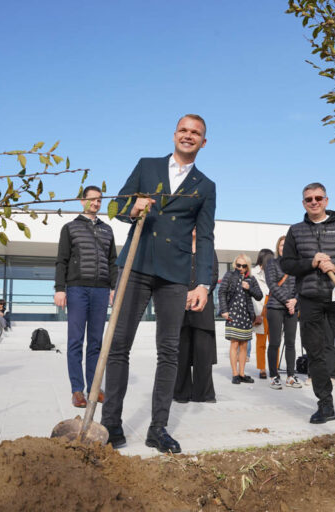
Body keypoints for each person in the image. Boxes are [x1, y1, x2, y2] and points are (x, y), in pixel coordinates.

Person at [102, 114, 216, 454]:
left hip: (175, 275)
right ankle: (111, 424)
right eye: (183, 130)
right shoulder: (146, 166)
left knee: (169, 351)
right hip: (136, 264)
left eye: (195, 133)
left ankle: (158, 428)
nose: (188, 136)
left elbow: (207, 237)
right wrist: (131, 206)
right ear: (174, 135)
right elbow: (116, 205)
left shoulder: (206, 186)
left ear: (203, 142)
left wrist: (203, 283)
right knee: (119, 344)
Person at [280, 182, 335, 426]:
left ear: (326, 200)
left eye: (318, 198)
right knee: (316, 354)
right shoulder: (295, 231)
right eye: (309, 199)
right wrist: (311, 262)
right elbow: (286, 264)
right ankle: (325, 406)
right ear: (303, 203)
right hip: (309, 300)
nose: (314, 202)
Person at [54, 185, 118, 408]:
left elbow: (112, 262)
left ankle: (94, 387)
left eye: (99, 200)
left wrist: (113, 288)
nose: (96, 204)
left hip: (101, 291)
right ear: (82, 201)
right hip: (77, 289)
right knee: (75, 341)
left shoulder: (108, 229)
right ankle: (77, 390)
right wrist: (59, 288)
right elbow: (61, 260)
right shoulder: (70, 228)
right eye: (92, 200)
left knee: (96, 344)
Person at [173, 228, 219, 403]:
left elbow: (213, 276)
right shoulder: (179, 249)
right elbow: (173, 275)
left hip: (202, 307)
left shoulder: (208, 249)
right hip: (181, 306)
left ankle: (204, 394)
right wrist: (182, 295)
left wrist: (200, 293)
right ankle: (181, 393)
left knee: (203, 353)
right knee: (182, 353)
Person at [218, 254, 263, 383]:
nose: (241, 268)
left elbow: (259, 296)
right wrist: (224, 310)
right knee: (234, 344)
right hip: (233, 314)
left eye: (244, 266)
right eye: (238, 265)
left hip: (246, 315)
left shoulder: (251, 279)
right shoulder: (229, 275)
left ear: (247, 266)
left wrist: (249, 288)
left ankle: (242, 374)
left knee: (244, 345)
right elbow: (222, 292)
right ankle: (235, 374)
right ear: (235, 265)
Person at [264, 235, 300, 390]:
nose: (283, 247)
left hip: (293, 307)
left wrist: (295, 301)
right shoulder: (272, 263)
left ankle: (291, 376)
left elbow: (301, 284)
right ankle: (274, 376)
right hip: (275, 307)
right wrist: (287, 301)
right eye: (281, 245)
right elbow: (272, 284)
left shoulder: (297, 265)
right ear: (277, 247)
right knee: (274, 342)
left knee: (291, 343)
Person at [250, 248, 273, 380]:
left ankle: (273, 367)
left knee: (274, 340)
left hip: (274, 306)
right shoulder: (253, 273)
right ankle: (262, 368)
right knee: (261, 341)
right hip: (260, 308)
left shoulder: (274, 271)